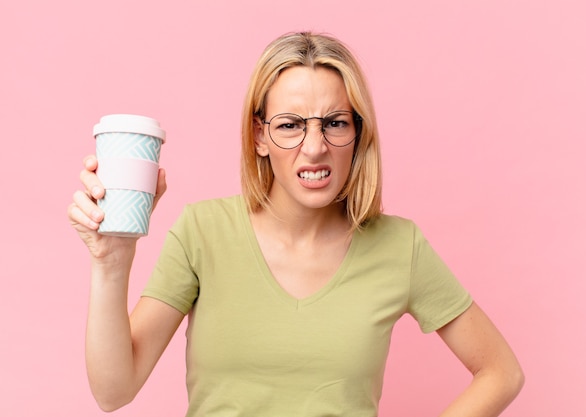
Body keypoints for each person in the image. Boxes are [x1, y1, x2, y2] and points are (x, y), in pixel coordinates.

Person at [68, 32, 524, 416]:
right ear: (259, 135)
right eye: (289, 125)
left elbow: (502, 372)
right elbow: (113, 390)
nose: (314, 147)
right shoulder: (202, 231)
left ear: (357, 134)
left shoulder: (399, 246)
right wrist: (111, 260)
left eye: (335, 123)